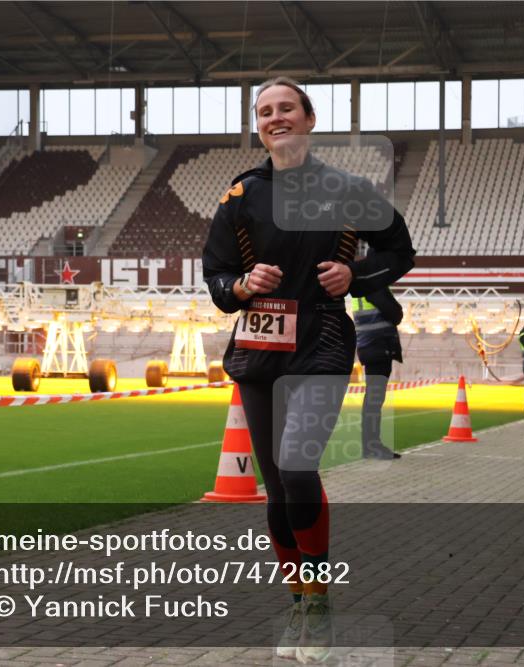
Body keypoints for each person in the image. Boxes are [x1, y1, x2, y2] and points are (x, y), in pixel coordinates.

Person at [202, 76, 415, 663]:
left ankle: (319, 607)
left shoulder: (349, 190)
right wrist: (243, 285)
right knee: (276, 487)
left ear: (309, 117)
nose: (276, 118)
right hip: (257, 349)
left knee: (298, 465)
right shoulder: (239, 195)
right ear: (259, 124)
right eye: (265, 111)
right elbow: (216, 276)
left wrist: (358, 277)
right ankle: (299, 599)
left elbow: (400, 251)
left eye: (286, 108)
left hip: (321, 339)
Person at [353, 287, 404, 460]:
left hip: (370, 346)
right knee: (374, 400)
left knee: (373, 399)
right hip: (378, 346)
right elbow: (395, 313)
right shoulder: (373, 286)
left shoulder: (363, 287)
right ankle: (372, 446)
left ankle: (371, 445)